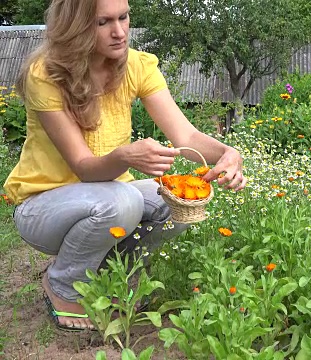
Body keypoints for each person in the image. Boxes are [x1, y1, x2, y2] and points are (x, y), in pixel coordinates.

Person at [2, 0, 247, 331]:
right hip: (42, 207)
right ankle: (62, 285)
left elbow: (185, 134)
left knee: (180, 200)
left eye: (123, 17)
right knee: (125, 200)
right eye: (103, 22)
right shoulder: (46, 74)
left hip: (109, 200)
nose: (119, 32)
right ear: (75, 26)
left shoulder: (137, 66)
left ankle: (117, 280)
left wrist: (227, 153)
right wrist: (125, 156)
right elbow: (84, 166)